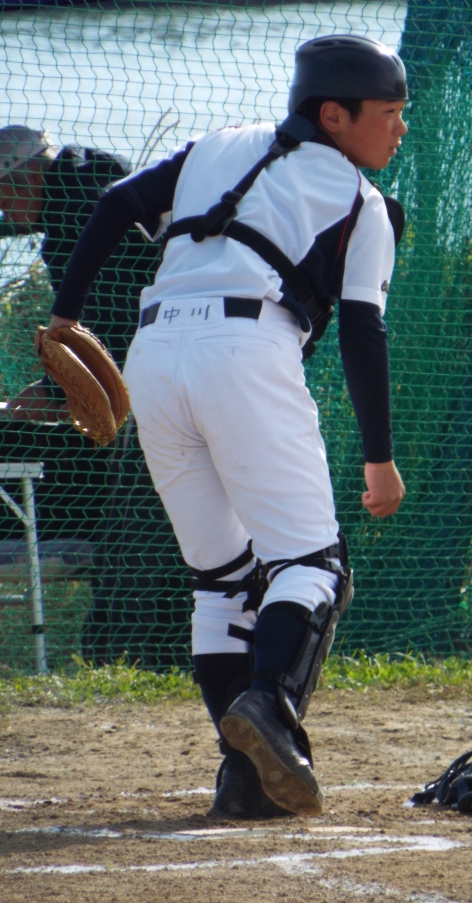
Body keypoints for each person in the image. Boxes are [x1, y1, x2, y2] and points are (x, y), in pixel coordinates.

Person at [39, 34, 408, 819]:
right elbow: (362, 332)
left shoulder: (216, 144)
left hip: (152, 356)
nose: (400, 128)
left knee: (223, 580)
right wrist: (379, 459)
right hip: (245, 350)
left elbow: (114, 205)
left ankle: (244, 781)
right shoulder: (361, 201)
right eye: (388, 112)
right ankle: (270, 704)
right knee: (315, 566)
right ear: (334, 115)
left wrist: (65, 319)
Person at [0, 124, 192, 667]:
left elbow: (109, 320)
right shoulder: (89, 184)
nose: (4, 213)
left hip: (164, 376)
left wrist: (56, 390)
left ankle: (134, 654)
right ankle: (160, 652)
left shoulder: (76, 215)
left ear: (23, 180)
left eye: (2, 197)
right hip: (187, 362)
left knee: (142, 526)